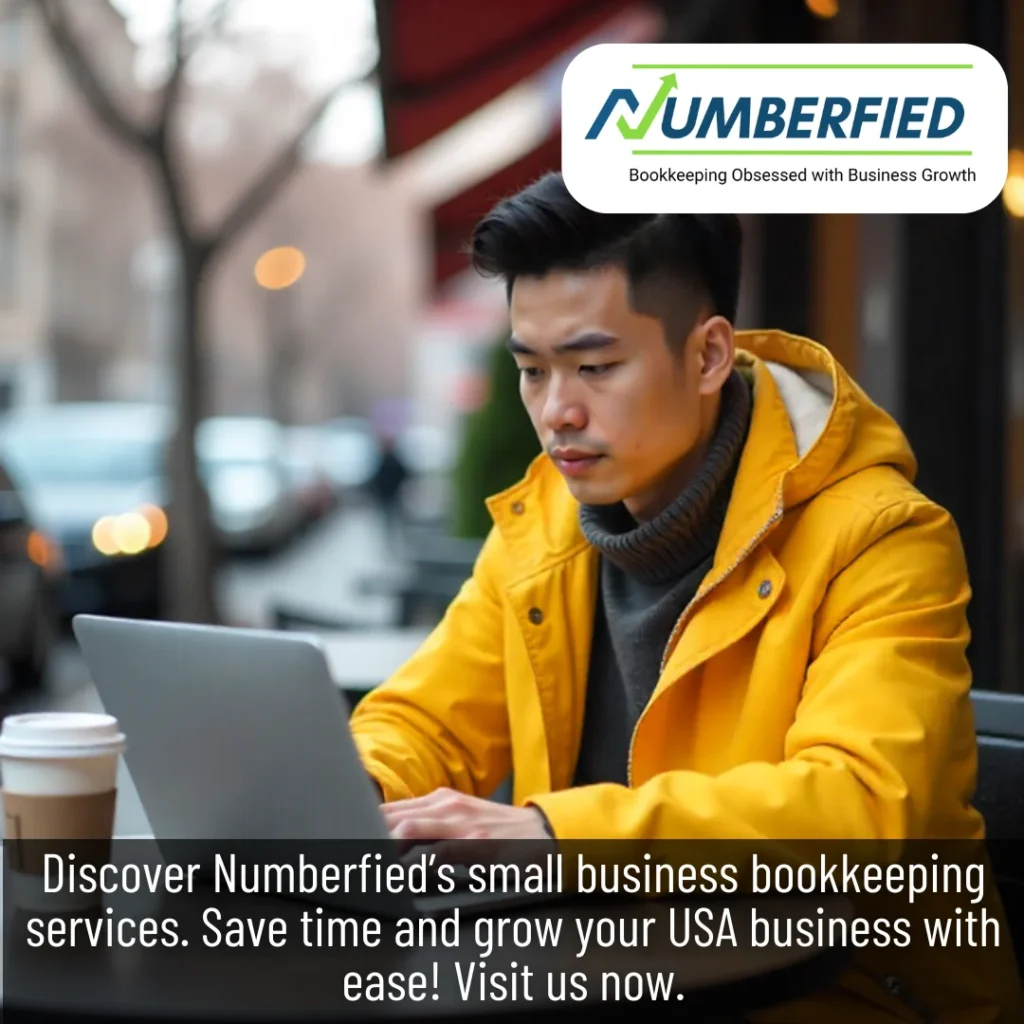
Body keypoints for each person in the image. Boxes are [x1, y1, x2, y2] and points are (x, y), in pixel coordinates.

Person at [348, 173, 1021, 1021]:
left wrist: (556, 837)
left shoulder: (883, 537)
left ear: (706, 356)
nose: (556, 411)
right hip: (598, 979)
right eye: (531, 370)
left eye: (595, 367)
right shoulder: (546, 526)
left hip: (845, 995)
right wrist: (356, 790)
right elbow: (428, 722)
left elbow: (859, 807)